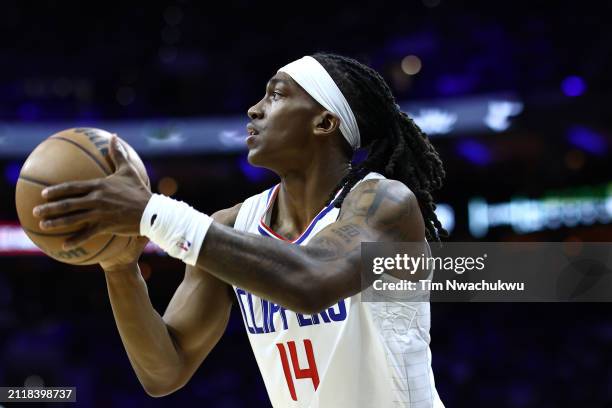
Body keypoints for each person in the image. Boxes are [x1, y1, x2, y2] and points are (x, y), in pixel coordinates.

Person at [33, 53, 447, 407]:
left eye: (277, 94)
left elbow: (312, 281)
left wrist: (153, 213)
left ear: (324, 122)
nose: (255, 108)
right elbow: (165, 370)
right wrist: (121, 269)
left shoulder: (384, 204)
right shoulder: (232, 226)